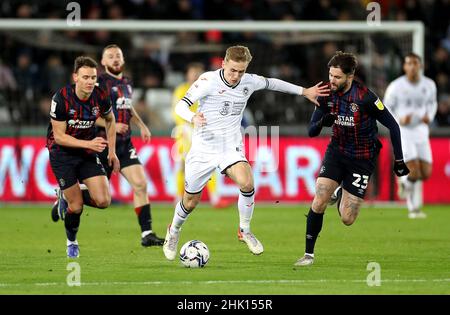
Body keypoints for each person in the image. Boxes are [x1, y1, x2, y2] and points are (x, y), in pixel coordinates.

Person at [163, 45, 330, 261]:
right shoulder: (207, 81)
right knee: (190, 201)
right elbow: (180, 106)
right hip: (203, 148)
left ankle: (244, 230)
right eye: (232, 70)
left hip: (230, 147)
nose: (236, 76)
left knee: (247, 182)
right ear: (223, 64)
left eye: (241, 71)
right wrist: (192, 117)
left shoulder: (249, 80)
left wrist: (304, 91)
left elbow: (273, 83)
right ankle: (174, 231)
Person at [294, 51, 410, 267]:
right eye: (330, 75)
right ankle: (308, 255)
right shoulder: (325, 94)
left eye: (337, 77)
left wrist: (399, 160)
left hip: (362, 158)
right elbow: (311, 131)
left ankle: (340, 193)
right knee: (319, 197)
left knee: (347, 219)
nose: (332, 80)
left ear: (350, 76)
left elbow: (393, 125)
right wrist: (322, 123)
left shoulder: (366, 97)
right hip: (337, 152)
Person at [52, 45, 164, 247]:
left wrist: (141, 124)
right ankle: (67, 195)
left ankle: (147, 233)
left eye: (118, 56)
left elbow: (126, 107)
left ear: (123, 60)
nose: (115, 59)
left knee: (140, 184)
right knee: (101, 197)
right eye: (110, 56)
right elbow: (88, 116)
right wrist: (107, 128)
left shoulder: (126, 82)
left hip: (123, 143)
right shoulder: (98, 83)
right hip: (99, 143)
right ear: (103, 62)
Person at [47, 56, 120, 258]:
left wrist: (112, 152)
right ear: (75, 77)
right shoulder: (61, 98)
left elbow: (110, 119)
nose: (90, 81)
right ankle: (71, 241)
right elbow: (60, 137)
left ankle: (67, 194)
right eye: (85, 77)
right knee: (76, 206)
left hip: (86, 153)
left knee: (104, 201)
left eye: (93, 77)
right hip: (62, 154)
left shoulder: (100, 96)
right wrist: (89, 143)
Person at [383, 53, 438, 219]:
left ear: (420, 66)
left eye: (415, 63)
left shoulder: (429, 85)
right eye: (409, 64)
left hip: (421, 130)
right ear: (404, 67)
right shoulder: (396, 86)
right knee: (413, 172)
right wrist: (398, 119)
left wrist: (430, 115)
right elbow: (386, 107)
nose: (412, 67)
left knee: (426, 173)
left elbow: (432, 103)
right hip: (404, 131)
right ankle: (413, 209)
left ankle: (404, 181)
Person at [172, 62, 229, 208]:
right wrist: (190, 122)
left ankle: (215, 199)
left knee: (210, 163)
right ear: (187, 74)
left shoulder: (208, 89)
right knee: (183, 165)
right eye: (193, 72)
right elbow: (177, 112)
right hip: (185, 131)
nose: (196, 75)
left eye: (199, 72)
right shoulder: (182, 90)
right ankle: (178, 197)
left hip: (204, 131)